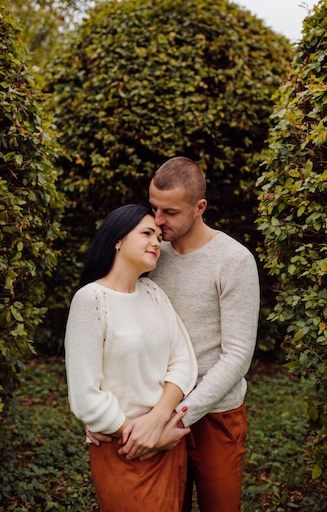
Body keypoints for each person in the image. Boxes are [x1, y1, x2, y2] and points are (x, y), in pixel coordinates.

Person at [138, 156, 261, 512]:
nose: (158, 222)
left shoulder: (234, 260)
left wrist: (177, 417)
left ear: (200, 207)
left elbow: (237, 356)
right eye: (153, 209)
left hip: (216, 415)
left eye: (170, 212)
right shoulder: (151, 254)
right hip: (155, 406)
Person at [64, 204, 198, 512]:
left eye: (159, 236)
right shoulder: (90, 300)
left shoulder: (152, 292)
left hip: (167, 443)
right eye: (147, 233)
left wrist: (158, 423)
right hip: (123, 450)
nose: (157, 242)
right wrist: (136, 434)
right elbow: (85, 395)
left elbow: (183, 361)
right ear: (118, 240)